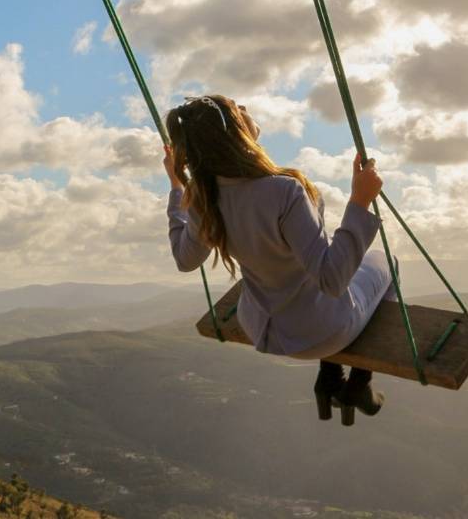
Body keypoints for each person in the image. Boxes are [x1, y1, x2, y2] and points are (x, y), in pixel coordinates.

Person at [162, 94, 398, 424]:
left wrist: (176, 187)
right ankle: (359, 383)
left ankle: (330, 378)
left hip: (263, 329)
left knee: (335, 260)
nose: (244, 107)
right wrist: (359, 202)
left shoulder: (205, 200)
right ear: (234, 131)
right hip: (322, 333)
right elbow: (331, 280)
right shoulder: (284, 191)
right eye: (236, 107)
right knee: (386, 261)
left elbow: (184, 260)